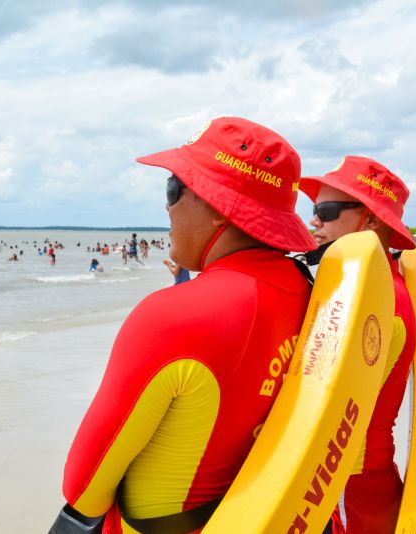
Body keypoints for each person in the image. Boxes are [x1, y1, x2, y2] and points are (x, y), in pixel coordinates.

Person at [52, 117, 317, 533]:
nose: (167, 206)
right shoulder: (309, 292)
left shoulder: (171, 317)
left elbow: (83, 487)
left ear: (217, 207)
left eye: (174, 188)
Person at [300, 155, 416, 533]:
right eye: (314, 209)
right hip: (361, 478)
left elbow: (327, 403)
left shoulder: (375, 297)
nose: (314, 220)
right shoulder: (382, 283)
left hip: (350, 482)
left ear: (370, 220)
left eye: (327, 210)